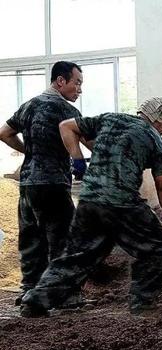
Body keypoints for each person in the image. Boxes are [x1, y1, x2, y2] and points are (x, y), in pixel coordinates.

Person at [20, 97, 162, 317]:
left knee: (76, 255)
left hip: (88, 201)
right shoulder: (154, 139)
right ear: (159, 117)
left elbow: (66, 126)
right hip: (122, 204)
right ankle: (142, 302)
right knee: (155, 244)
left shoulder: (110, 119)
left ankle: (36, 299)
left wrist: (76, 158)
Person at [0, 61, 86, 305]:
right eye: (76, 83)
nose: (79, 90)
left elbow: (4, 133)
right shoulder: (65, 110)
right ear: (61, 81)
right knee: (65, 237)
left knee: (31, 239)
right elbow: (88, 141)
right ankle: (66, 294)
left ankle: (29, 290)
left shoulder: (28, 106)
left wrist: (30, 152)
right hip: (53, 184)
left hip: (28, 185)